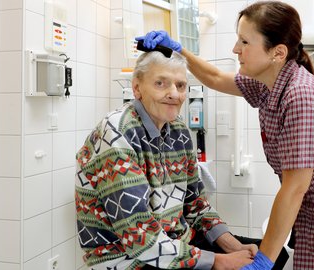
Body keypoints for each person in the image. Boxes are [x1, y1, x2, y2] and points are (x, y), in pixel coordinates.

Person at [136, 1, 314, 269]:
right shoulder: (268, 84)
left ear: (277, 53)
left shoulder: (303, 96)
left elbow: (294, 189)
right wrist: (180, 50)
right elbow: (213, 77)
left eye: (245, 42)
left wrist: (264, 261)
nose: (236, 49)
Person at [75, 50, 260, 269]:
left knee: (268, 258)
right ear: (137, 88)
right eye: (161, 83)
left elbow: (195, 203)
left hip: (174, 243)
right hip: (127, 259)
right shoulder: (117, 134)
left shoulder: (178, 129)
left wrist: (231, 245)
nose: (174, 94)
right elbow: (138, 236)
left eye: (180, 86)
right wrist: (218, 261)